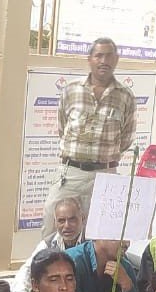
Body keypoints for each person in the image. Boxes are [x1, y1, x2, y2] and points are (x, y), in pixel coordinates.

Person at [42, 38, 136, 236]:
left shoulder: (125, 96)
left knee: (100, 235)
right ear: (90, 59)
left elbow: (126, 138)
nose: (104, 61)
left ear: (116, 59)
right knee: (52, 228)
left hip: (105, 175)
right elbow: (62, 127)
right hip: (71, 174)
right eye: (98, 56)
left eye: (109, 56)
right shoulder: (71, 90)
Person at [12, 198, 84, 292]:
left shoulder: (92, 244)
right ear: (55, 223)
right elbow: (26, 271)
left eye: (72, 220)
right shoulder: (48, 244)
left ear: (82, 218)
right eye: (61, 221)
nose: (67, 225)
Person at [66, 238, 140, 292]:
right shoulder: (71, 262)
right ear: (99, 236)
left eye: (128, 238)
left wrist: (126, 284)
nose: (127, 244)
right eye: (118, 237)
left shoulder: (125, 267)